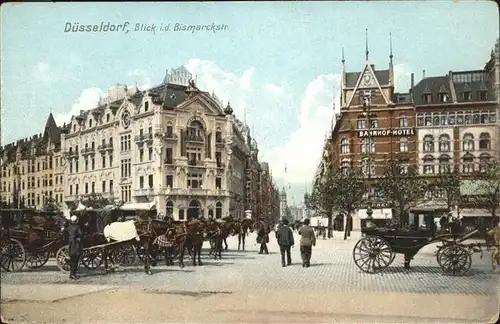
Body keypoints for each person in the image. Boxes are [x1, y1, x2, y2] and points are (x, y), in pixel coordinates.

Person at [67, 215, 83, 280]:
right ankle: (73, 274)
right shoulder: (77, 227)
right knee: (75, 260)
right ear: (76, 221)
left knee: (72, 260)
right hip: (75, 245)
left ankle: (71, 274)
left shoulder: (69, 227)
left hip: (70, 245)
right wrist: (79, 238)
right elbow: (81, 234)